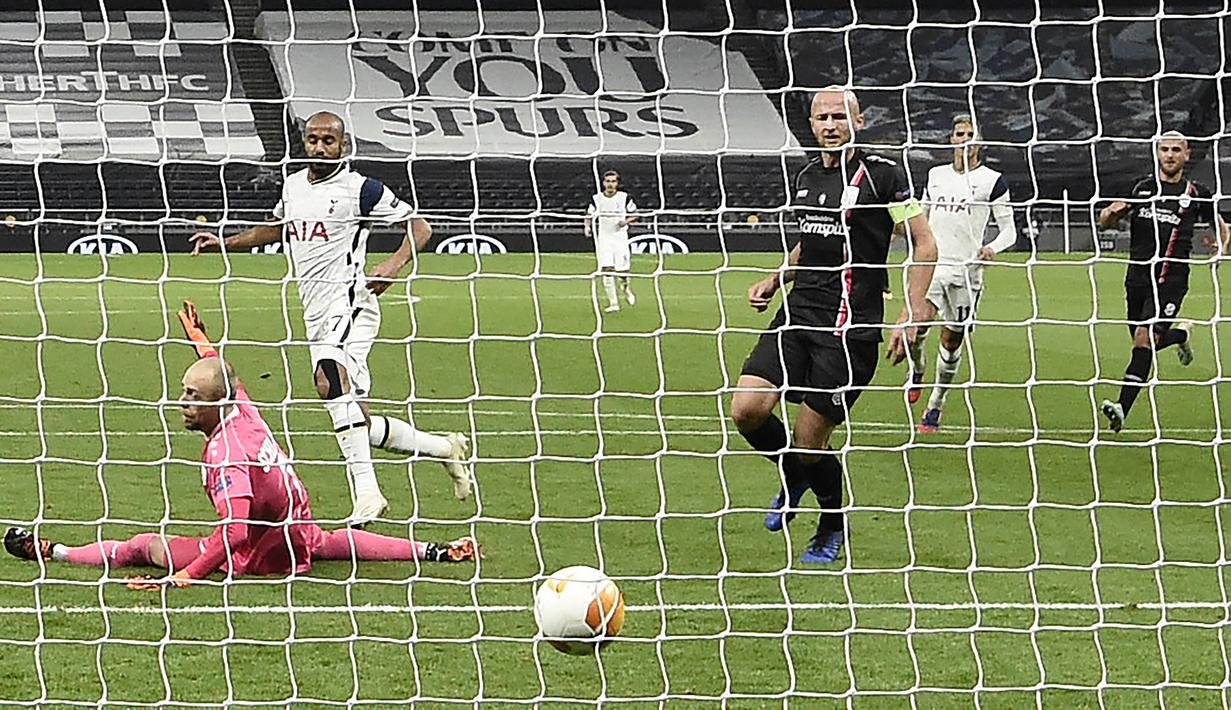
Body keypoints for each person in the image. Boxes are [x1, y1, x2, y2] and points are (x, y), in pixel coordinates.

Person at [3, 302, 478, 586]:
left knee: (144, 547)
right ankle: (434, 550)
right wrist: (200, 339)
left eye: (192, 397)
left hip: (264, 555)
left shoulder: (225, 452)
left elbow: (232, 535)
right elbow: (220, 371)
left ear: (214, 404)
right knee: (332, 542)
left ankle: (55, 552)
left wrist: (184, 577)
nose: (183, 403)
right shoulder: (240, 407)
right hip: (298, 529)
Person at [190, 111, 471, 527]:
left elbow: (421, 226)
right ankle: (444, 448)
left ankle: (368, 494)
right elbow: (277, 229)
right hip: (317, 311)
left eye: (329, 140)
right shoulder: (293, 186)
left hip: (352, 301)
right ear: (304, 143)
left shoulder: (362, 190)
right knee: (354, 414)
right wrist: (224, 242)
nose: (320, 147)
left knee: (328, 380)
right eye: (313, 139)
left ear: (343, 145)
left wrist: (394, 264)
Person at [730, 87, 937, 564]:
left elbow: (924, 244)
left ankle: (831, 523)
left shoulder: (884, 177)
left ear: (857, 121)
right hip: (798, 315)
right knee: (747, 410)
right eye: (821, 117)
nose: (830, 124)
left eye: (839, 116)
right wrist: (777, 277)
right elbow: (811, 239)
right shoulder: (805, 176)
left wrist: (912, 308)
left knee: (810, 440)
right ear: (811, 124)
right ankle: (795, 474)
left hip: (849, 329)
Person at [1097, 131, 1230, 432]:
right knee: (1144, 342)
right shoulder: (1143, 189)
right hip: (1137, 277)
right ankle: (1181, 336)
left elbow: (1222, 229)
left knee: (1144, 339)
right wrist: (1110, 214)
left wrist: (1220, 251)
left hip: (1172, 279)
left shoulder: (1197, 193)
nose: (1170, 155)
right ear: (1157, 154)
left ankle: (1121, 408)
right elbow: (1106, 220)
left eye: (1176, 150)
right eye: (1165, 149)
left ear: (1187, 155)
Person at [908, 114, 1017, 432]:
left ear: (979, 142)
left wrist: (992, 248)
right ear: (951, 139)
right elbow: (922, 217)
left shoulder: (992, 181)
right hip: (933, 267)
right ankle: (917, 369)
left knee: (951, 340)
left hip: (967, 274)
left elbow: (1009, 231)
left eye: (971, 134)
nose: (965, 138)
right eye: (960, 133)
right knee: (917, 326)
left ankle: (935, 405)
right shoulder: (935, 175)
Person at [584, 170, 639, 312]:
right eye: (608, 181)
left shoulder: (624, 197)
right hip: (604, 238)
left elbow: (636, 214)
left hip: (620, 238)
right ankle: (613, 303)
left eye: (613, 181)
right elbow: (589, 214)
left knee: (623, 271)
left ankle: (626, 289)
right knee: (607, 269)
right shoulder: (596, 199)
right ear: (603, 183)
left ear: (617, 183)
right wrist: (587, 226)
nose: (610, 184)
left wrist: (625, 221)